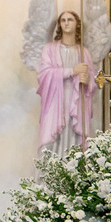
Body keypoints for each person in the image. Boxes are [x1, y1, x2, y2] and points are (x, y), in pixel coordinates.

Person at [37, 9, 97, 155]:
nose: (66, 23)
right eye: (63, 20)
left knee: (73, 136)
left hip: (76, 102)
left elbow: (92, 80)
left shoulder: (84, 52)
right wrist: (72, 71)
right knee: (53, 138)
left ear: (77, 24)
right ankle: (52, 167)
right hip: (56, 101)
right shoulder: (49, 49)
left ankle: (73, 166)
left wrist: (87, 81)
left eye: (70, 20)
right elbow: (44, 75)